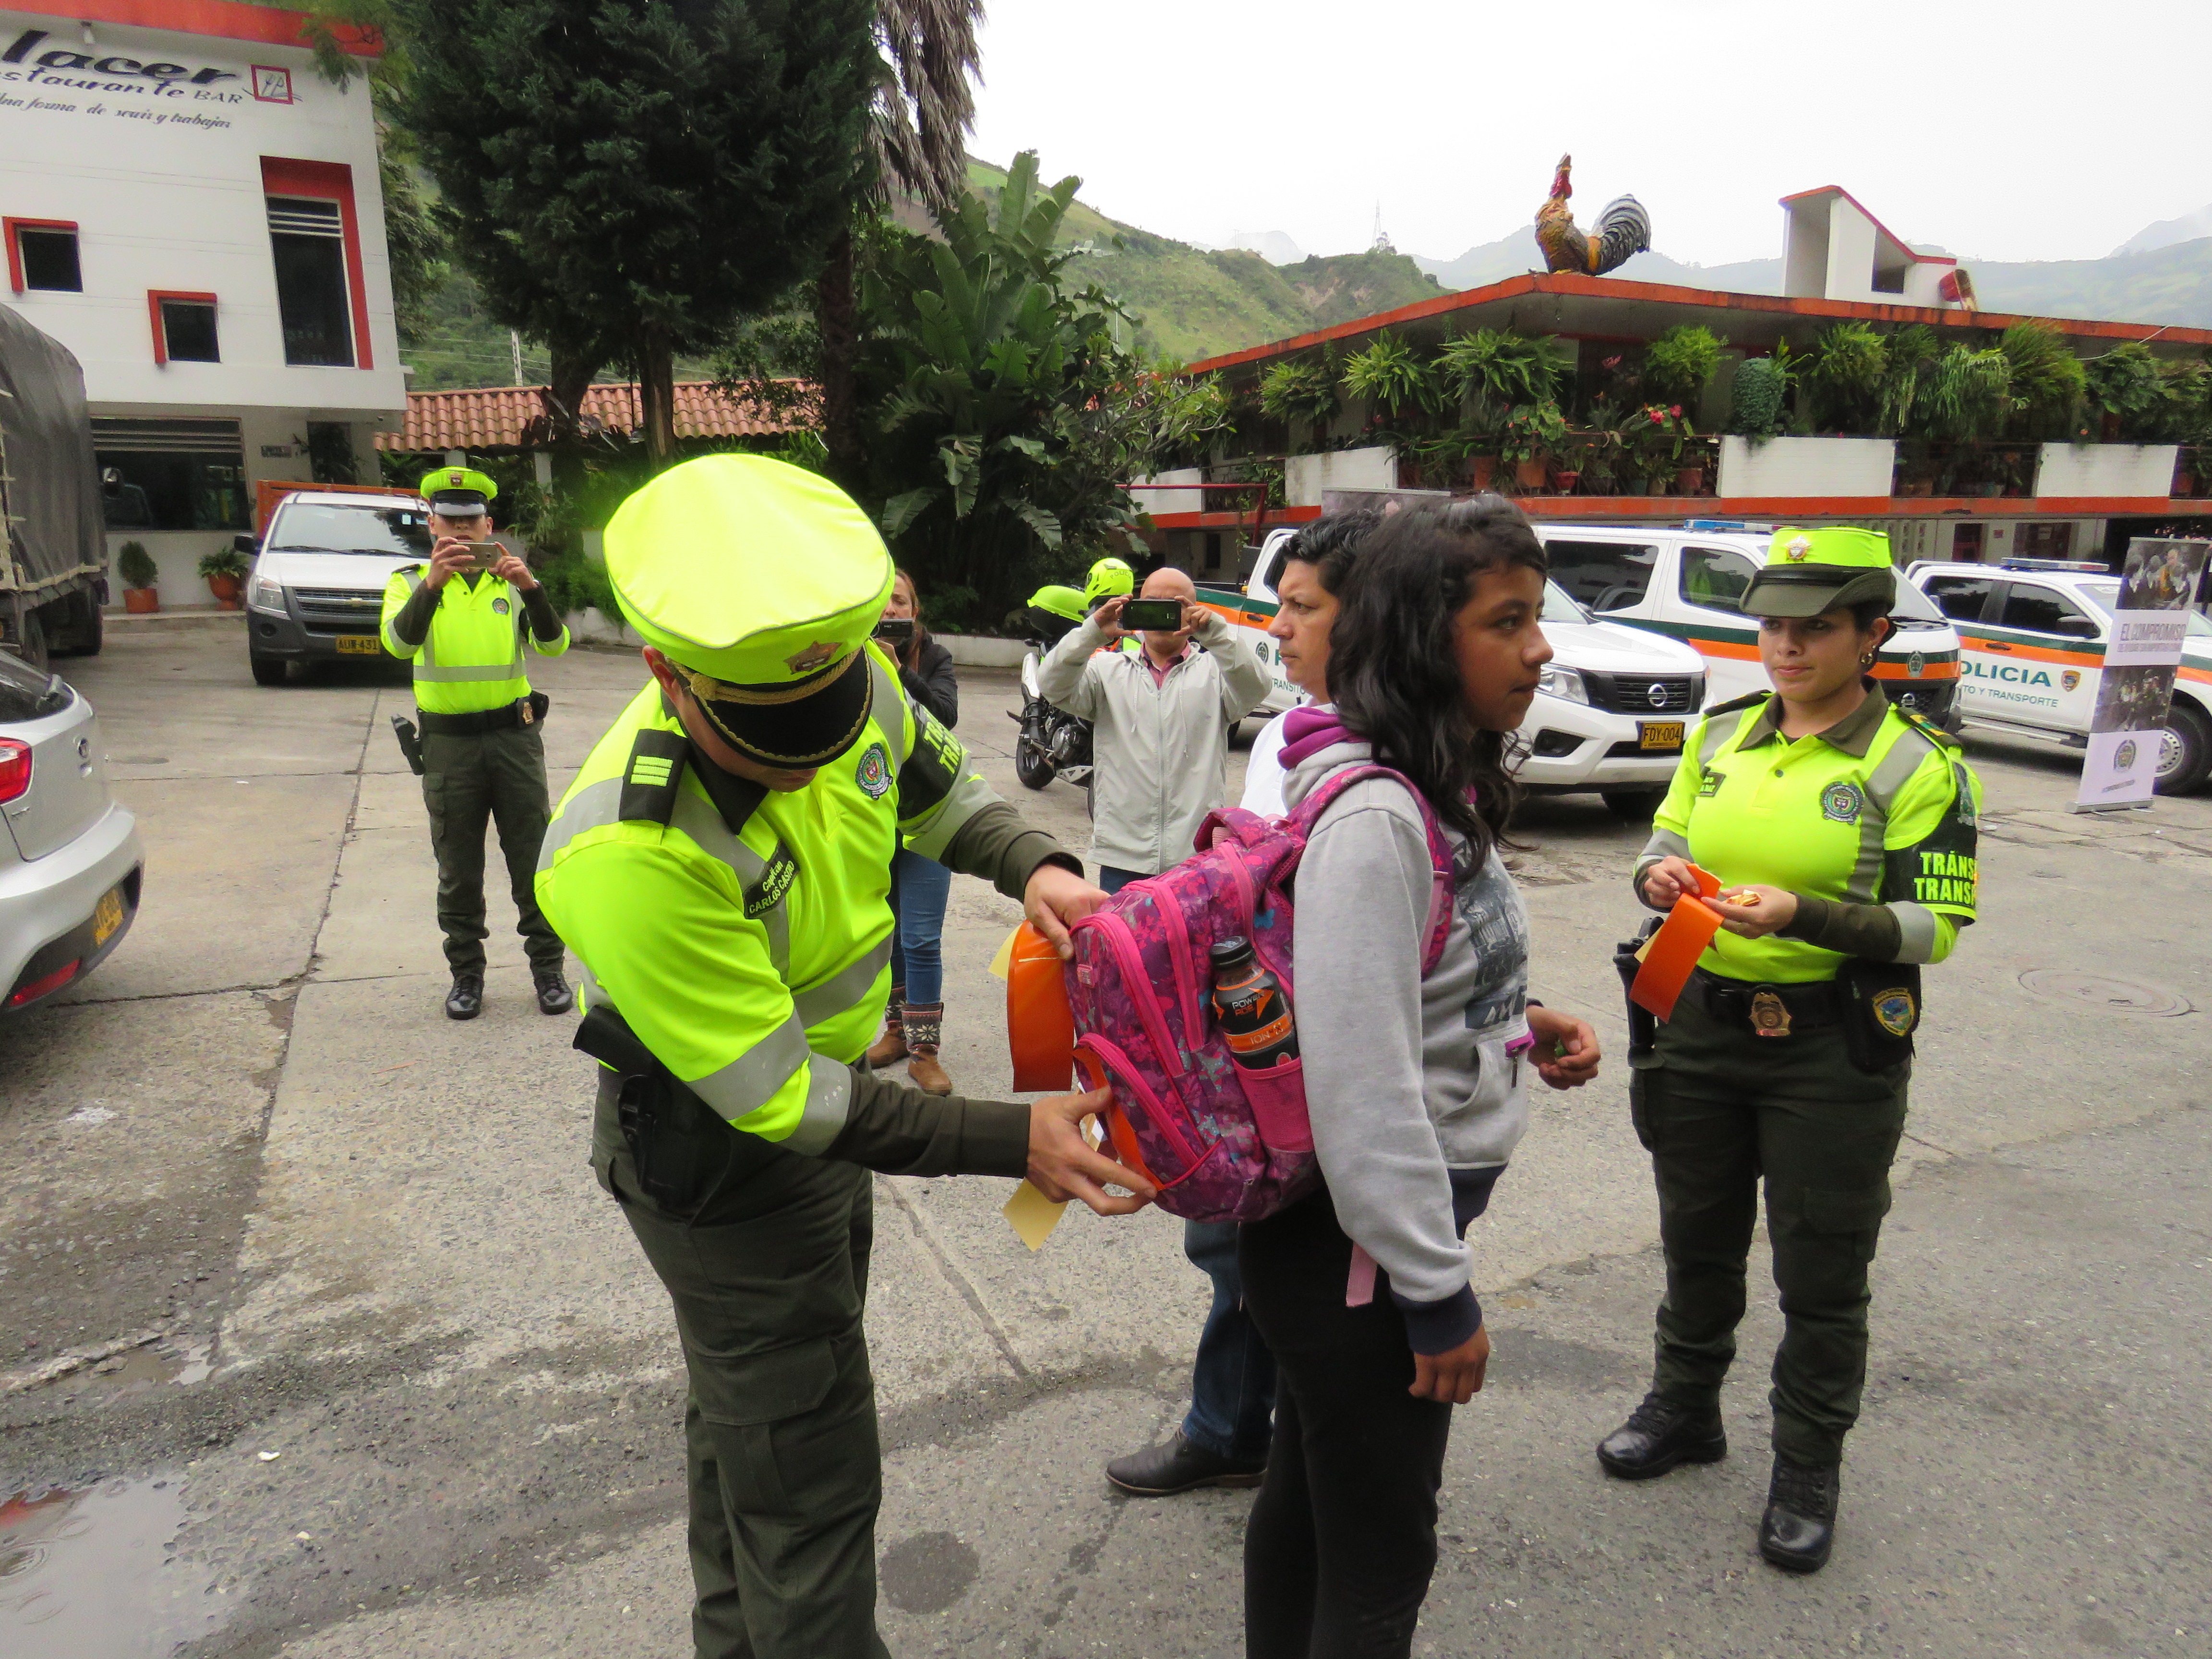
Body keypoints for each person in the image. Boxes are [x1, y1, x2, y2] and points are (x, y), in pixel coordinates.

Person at [532, 455, 1151, 1659]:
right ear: (667, 673)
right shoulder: (633, 848)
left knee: (752, 1432)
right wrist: (1008, 1135)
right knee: (810, 1483)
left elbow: (931, 789)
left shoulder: (828, 671)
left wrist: (1038, 865)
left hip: (823, 1122)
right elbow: (786, 1102)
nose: (815, 756)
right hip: (726, 1163)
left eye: (829, 714)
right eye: (775, 737)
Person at [1239, 497, 1600, 1658]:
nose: (1539, 648)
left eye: (1536, 617)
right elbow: (1361, 1088)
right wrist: (1436, 1292)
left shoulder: (1420, 781)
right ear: (1420, 636)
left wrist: (1510, 1020)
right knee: (1382, 1553)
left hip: (1361, 1248)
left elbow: (1401, 981)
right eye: (1509, 621)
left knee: (1311, 1493)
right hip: (1366, 1257)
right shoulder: (1378, 815)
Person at [1601, 526, 1983, 1575]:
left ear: (1874, 636)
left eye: (1815, 629)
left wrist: (1806, 914)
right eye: (1772, 626)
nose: (1787, 648)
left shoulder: (1918, 764)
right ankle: (1686, 1412)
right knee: (1698, 1241)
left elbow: (1934, 929)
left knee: (1822, 1272)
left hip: (1832, 1055)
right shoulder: (1721, 736)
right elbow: (1666, 838)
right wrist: (1658, 880)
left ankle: (1808, 1469)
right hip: (1696, 1020)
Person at [1104, 510, 1381, 1500]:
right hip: (1256, 1030)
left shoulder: (1379, 753)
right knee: (1234, 1243)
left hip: (1317, 1053)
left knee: (1272, 1256)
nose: (1279, 626)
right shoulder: (1297, 730)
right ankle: (1244, 1427)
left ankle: (1268, 1438)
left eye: (1301, 608)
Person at [379, 465, 573, 1020]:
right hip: (449, 749)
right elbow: (398, 644)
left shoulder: (509, 583)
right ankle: (466, 976)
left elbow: (555, 646)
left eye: (472, 522)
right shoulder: (408, 581)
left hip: (514, 741)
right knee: (458, 869)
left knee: (532, 861)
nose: (462, 533)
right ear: (431, 524)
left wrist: (531, 588)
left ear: (490, 525)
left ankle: (548, 970)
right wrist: (433, 585)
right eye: (450, 521)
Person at [1035, 565, 1269, 894]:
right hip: (1123, 858)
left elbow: (1258, 687)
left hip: (1196, 859)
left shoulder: (1215, 674)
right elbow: (1051, 684)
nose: (1162, 613)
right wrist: (1092, 633)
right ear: (1136, 609)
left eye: (1173, 605)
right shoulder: (1106, 671)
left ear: (1193, 613)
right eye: (1152, 604)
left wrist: (1216, 633)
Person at [865, 568, 961, 1094]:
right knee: (888, 934)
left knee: (921, 936)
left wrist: (900, 669)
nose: (890, 610)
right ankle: (897, 1030)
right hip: (874, 816)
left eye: (899, 601)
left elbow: (945, 716)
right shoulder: (853, 656)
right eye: (881, 602)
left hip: (928, 815)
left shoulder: (935, 659)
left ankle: (925, 1050)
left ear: (914, 609)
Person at [1241, 510, 1381, 818]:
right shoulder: (1276, 733)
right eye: (1281, 605)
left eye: (1302, 607)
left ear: (1368, 617)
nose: (1276, 628)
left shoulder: (1389, 768)